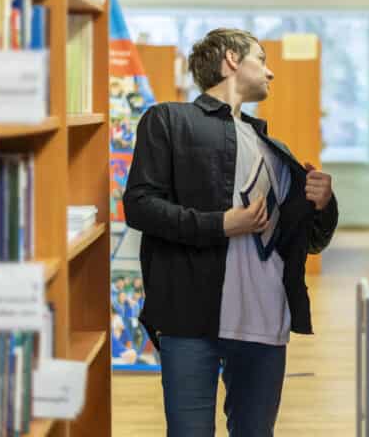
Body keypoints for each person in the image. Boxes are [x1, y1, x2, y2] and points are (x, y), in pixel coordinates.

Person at [123, 28, 338, 437]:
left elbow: (309, 241)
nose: (271, 73)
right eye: (262, 59)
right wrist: (220, 224)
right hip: (190, 319)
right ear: (232, 60)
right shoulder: (168, 120)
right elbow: (140, 206)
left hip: (265, 323)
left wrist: (325, 204)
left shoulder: (276, 151)